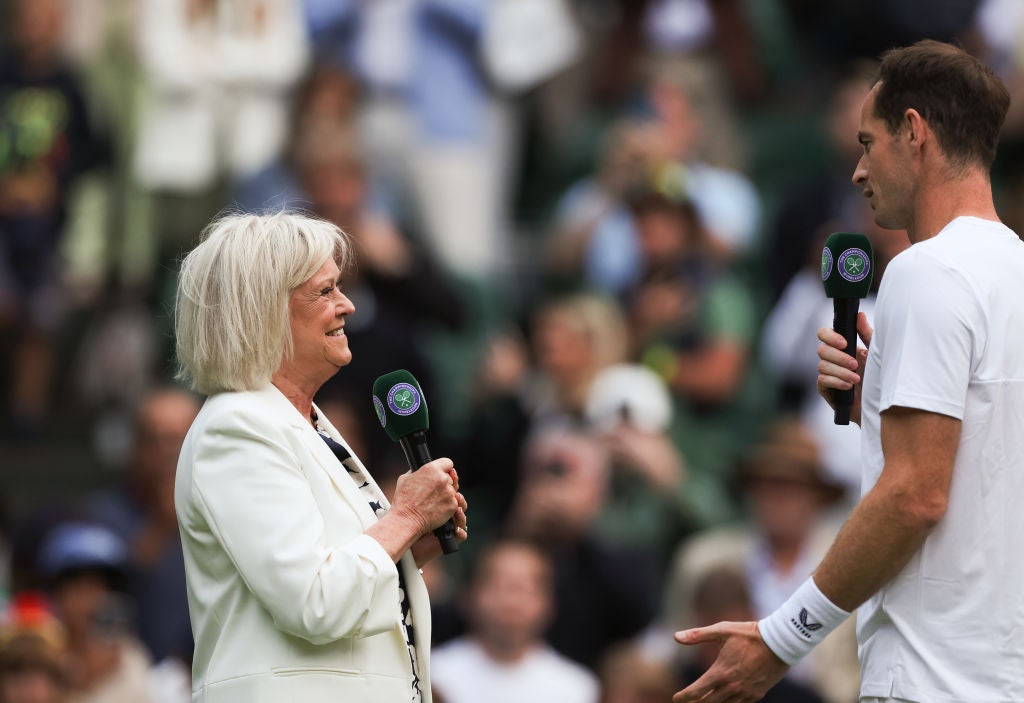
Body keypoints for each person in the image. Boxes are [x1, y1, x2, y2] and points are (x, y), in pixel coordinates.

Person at [673, 39, 1024, 703]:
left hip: (932, 682)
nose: (859, 170)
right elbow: (988, 459)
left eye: (869, 143)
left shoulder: (925, 272)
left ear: (913, 133)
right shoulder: (1016, 270)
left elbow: (915, 494)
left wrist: (782, 636)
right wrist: (883, 405)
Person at [174, 212, 469, 703]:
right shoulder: (237, 428)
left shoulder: (306, 424)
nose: (347, 305)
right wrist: (407, 516)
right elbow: (313, 604)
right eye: (325, 291)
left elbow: (330, 576)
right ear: (263, 311)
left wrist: (407, 551)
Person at [430, 539, 598, 703]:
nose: (512, 601)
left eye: (524, 588)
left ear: (550, 603)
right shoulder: (430, 675)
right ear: (467, 596)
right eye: (498, 586)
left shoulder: (577, 688)